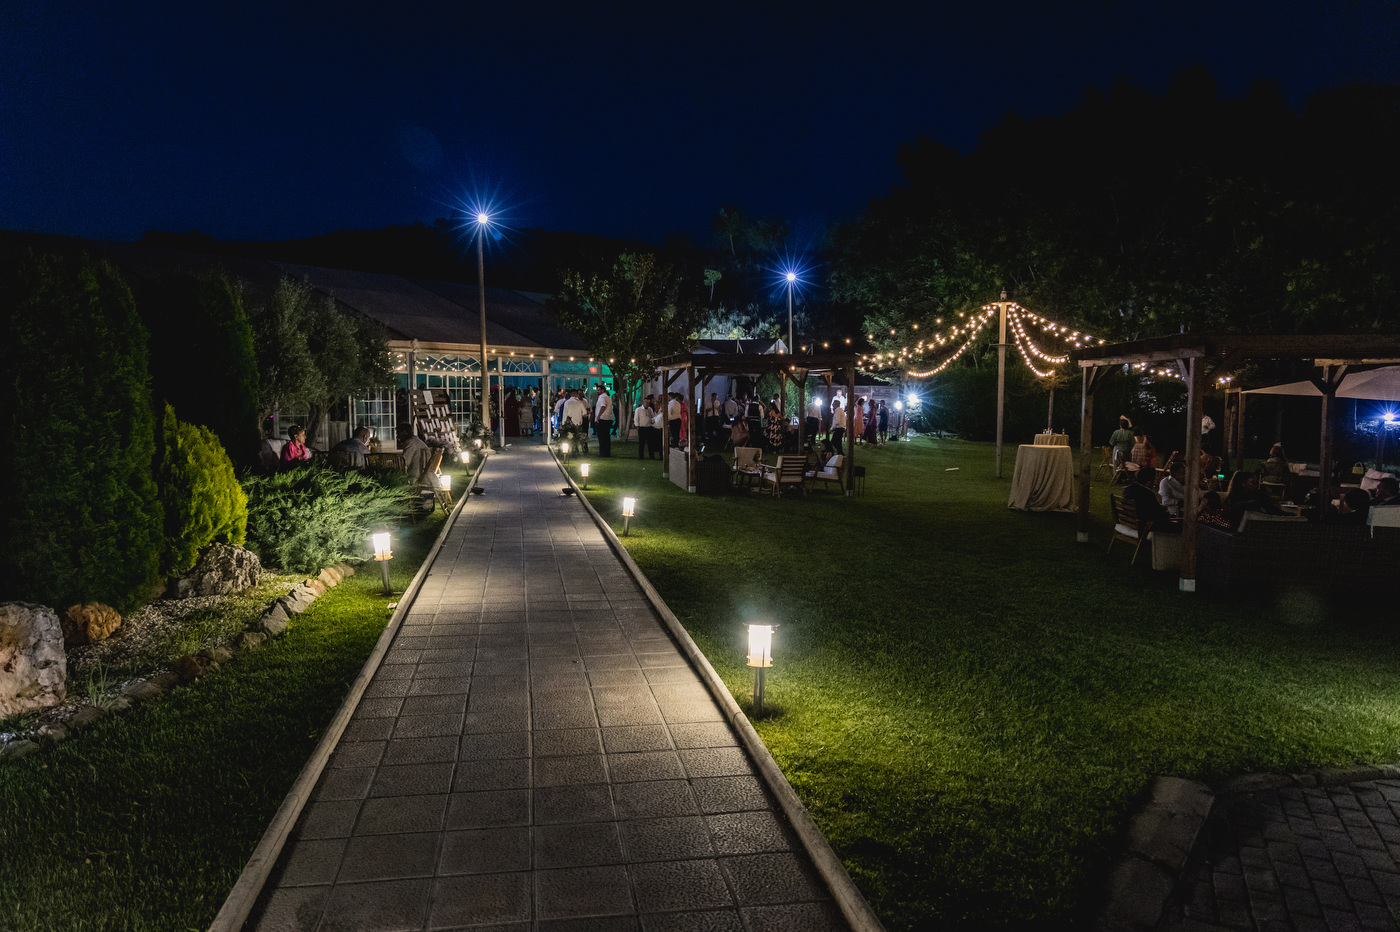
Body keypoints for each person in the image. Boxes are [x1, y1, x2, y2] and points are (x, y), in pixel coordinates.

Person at [1123, 466, 1178, 532]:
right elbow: (1158, 514)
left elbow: (1148, 507)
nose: (1154, 484)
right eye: (1154, 481)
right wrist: (1171, 515)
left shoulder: (1128, 489)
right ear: (1148, 482)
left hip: (1129, 522)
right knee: (1178, 526)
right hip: (1144, 525)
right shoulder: (1147, 493)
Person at [593, 384, 614, 457]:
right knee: (606, 437)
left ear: (603, 390)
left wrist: (598, 416)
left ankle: (603, 453)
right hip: (608, 418)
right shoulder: (608, 397)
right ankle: (607, 453)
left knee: (601, 437)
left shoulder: (602, 397)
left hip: (603, 419)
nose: (598, 391)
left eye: (599, 390)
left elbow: (603, 406)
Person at [633, 395, 653, 459]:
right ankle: (641, 456)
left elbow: (652, 417)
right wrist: (637, 425)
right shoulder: (638, 410)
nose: (647, 404)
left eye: (648, 403)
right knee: (641, 443)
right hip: (642, 427)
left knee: (650, 443)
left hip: (649, 427)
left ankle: (651, 456)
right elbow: (636, 418)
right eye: (646, 403)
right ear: (643, 403)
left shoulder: (650, 409)